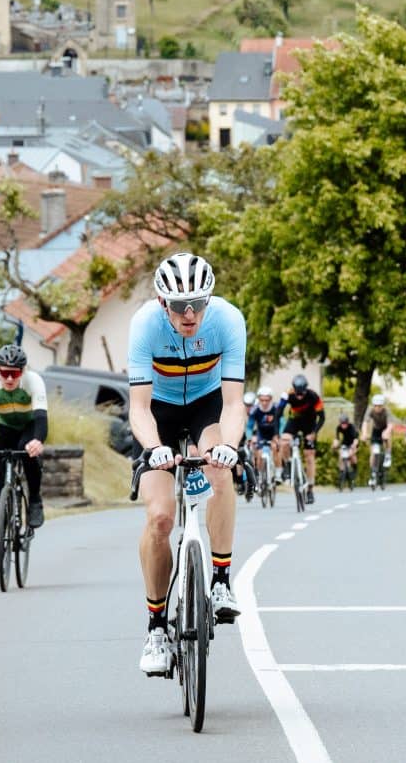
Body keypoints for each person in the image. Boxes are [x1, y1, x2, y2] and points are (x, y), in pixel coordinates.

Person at [127, 252, 246, 676]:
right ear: (163, 303)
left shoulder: (229, 321)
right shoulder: (144, 325)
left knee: (219, 470)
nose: (190, 313)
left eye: (198, 303)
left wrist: (229, 445)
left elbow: (233, 402)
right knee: (160, 519)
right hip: (157, 412)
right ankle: (156, 627)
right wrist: (153, 447)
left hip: (205, 407)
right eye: (179, 306)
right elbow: (138, 409)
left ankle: (220, 582)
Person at [0, 343, 49, 574]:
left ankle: (34, 498)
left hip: (28, 426)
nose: (10, 378)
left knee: (28, 451)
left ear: (23, 371)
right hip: (3, 428)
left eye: (14, 373)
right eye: (4, 373)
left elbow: (42, 418)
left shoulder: (34, 382)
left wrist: (38, 441)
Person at [283, 374, 325, 497]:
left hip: (309, 425)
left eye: (302, 394)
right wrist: (276, 434)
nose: (299, 396)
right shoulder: (288, 394)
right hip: (294, 422)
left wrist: (314, 433)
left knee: (309, 456)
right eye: (297, 394)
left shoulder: (314, 396)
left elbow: (322, 417)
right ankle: (288, 465)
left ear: (306, 390)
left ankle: (310, 488)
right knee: (284, 442)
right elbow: (278, 412)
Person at [247, 389, 287, 487]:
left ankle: (278, 474)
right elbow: (249, 426)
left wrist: (279, 435)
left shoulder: (276, 408)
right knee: (259, 454)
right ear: (259, 399)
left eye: (267, 400)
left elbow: (282, 423)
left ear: (271, 399)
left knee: (275, 448)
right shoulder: (255, 410)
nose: (264, 402)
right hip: (261, 434)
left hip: (274, 433)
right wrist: (250, 438)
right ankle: (260, 476)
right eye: (262, 400)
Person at [364, 399, 394, 485]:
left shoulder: (387, 411)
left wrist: (386, 432)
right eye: (375, 406)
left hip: (386, 428)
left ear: (383, 406)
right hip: (376, 429)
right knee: (373, 452)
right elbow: (365, 422)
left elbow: (390, 425)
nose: (377, 408)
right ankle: (373, 472)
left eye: (379, 406)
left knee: (387, 437)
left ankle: (388, 454)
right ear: (373, 405)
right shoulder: (370, 409)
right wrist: (364, 433)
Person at [333, 412, 359, 486]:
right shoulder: (338, 428)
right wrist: (335, 445)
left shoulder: (352, 427)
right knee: (341, 456)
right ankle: (342, 473)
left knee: (351, 455)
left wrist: (353, 446)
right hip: (345, 443)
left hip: (353, 442)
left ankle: (354, 468)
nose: (343, 425)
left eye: (345, 423)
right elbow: (337, 438)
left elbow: (355, 439)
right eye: (342, 423)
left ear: (347, 423)